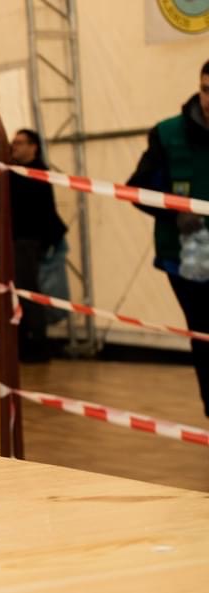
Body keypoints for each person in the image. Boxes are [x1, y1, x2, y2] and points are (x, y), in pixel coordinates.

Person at [128, 59, 209, 417]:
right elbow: (138, 189)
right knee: (204, 334)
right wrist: (177, 213)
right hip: (190, 253)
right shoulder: (167, 133)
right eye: (206, 90)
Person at [0, 129, 67, 362]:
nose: (14, 148)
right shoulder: (10, 172)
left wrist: (5, 169)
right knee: (9, 293)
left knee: (26, 292)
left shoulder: (38, 172)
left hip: (25, 240)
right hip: (6, 238)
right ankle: (17, 345)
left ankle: (37, 345)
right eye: (13, 143)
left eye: (19, 143)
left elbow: (21, 200)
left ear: (34, 146)